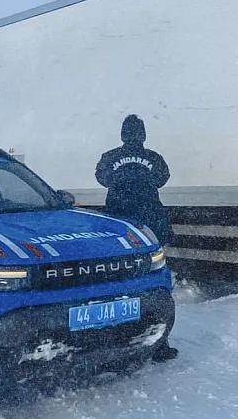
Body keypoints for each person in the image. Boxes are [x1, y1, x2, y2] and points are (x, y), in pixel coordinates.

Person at [96, 114, 178, 362]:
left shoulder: (110, 157)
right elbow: (162, 178)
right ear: (143, 135)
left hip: (121, 223)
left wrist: (123, 184)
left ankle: (115, 338)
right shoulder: (153, 157)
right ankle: (159, 345)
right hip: (149, 223)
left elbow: (102, 178)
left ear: (122, 134)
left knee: (120, 282)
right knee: (155, 282)